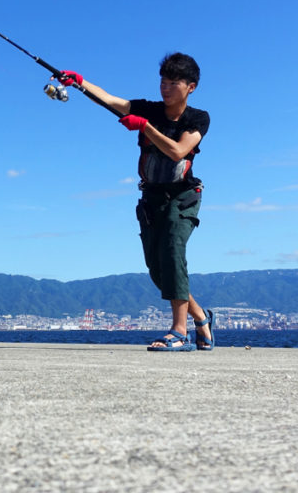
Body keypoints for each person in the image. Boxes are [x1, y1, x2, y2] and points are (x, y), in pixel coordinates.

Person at [58, 53, 213, 352]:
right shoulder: (148, 109)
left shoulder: (198, 118)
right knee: (158, 271)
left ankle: (179, 331)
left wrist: (145, 128)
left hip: (182, 197)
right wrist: (78, 82)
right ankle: (201, 317)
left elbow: (178, 151)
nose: (165, 88)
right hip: (151, 198)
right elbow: (108, 100)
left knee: (172, 250)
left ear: (190, 87)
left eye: (173, 83)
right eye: (162, 81)